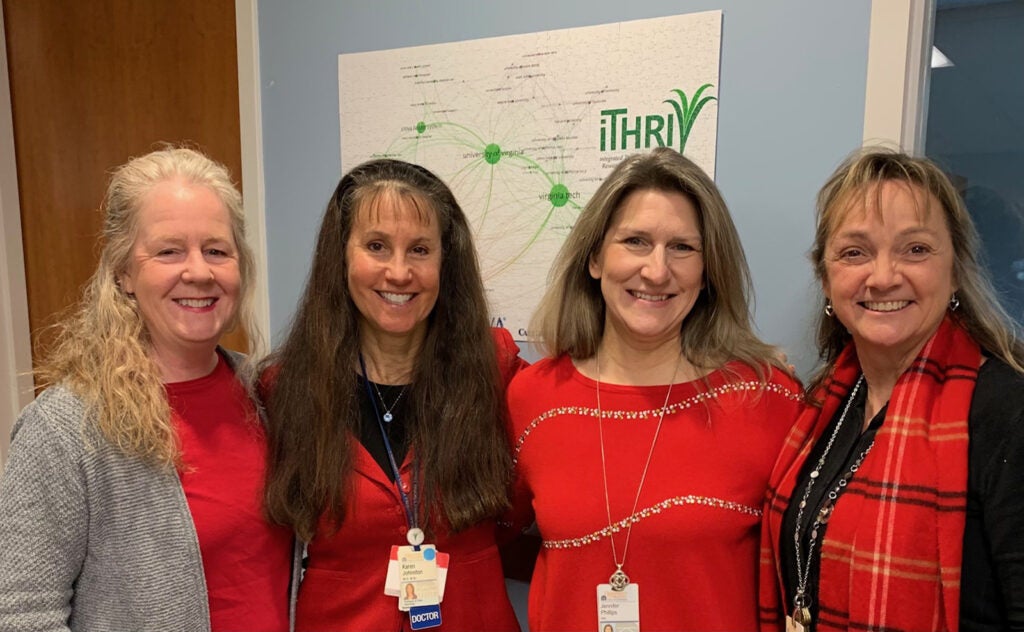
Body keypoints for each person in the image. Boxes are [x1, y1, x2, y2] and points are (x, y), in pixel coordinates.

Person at [505, 147, 802, 631]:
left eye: (683, 247)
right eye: (636, 241)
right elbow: (490, 539)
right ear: (596, 258)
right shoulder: (533, 398)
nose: (657, 271)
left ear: (708, 273)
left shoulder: (768, 399)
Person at [0, 147, 294, 631]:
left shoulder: (266, 396)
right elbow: (22, 615)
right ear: (123, 273)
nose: (198, 272)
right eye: (169, 250)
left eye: (217, 250)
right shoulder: (67, 428)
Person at [759, 148, 1024, 630]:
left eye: (915, 249)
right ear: (826, 277)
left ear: (956, 269)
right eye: (855, 252)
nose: (883, 277)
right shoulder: (820, 407)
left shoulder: (1008, 411)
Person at [262, 158, 527, 631]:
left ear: (447, 261)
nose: (399, 272)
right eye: (377, 246)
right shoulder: (282, 390)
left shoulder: (498, 371)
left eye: (420, 249)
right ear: (341, 256)